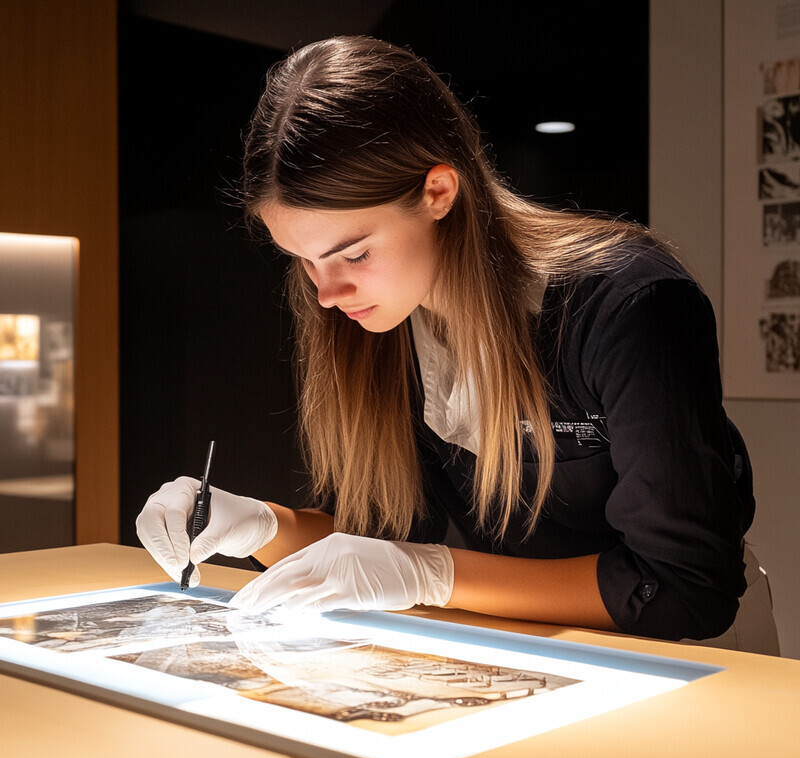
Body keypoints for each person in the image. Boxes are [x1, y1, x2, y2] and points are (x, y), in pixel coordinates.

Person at [137, 35, 760, 645]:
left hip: (686, 658)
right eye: (302, 260)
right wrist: (254, 526)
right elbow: (370, 544)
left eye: (352, 253)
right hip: (529, 648)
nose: (327, 293)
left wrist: (428, 574)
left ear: (438, 192)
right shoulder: (379, 322)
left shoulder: (629, 305)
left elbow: (682, 591)